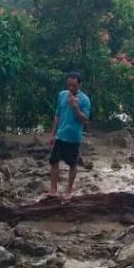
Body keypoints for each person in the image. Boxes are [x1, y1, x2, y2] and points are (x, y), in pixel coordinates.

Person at [48, 72, 91, 202]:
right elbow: (58, 115)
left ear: (80, 84)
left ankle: (69, 191)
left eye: (74, 85)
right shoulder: (62, 95)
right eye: (69, 85)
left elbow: (85, 120)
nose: (71, 88)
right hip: (60, 135)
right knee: (54, 161)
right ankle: (53, 190)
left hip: (73, 137)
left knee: (72, 164)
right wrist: (53, 134)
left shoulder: (84, 99)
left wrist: (75, 107)